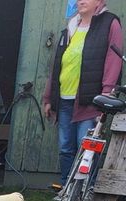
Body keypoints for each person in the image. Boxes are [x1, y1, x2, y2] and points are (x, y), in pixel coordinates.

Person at [43, 0, 123, 186]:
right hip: (65, 99)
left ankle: (86, 190)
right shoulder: (70, 28)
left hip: (91, 100)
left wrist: (107, 94)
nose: (81, 0)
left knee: (85, 145)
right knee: (65, 147)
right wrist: (49, 97)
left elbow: (114, 61)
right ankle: (65, 189)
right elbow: (57, 66)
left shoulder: (110, 23)